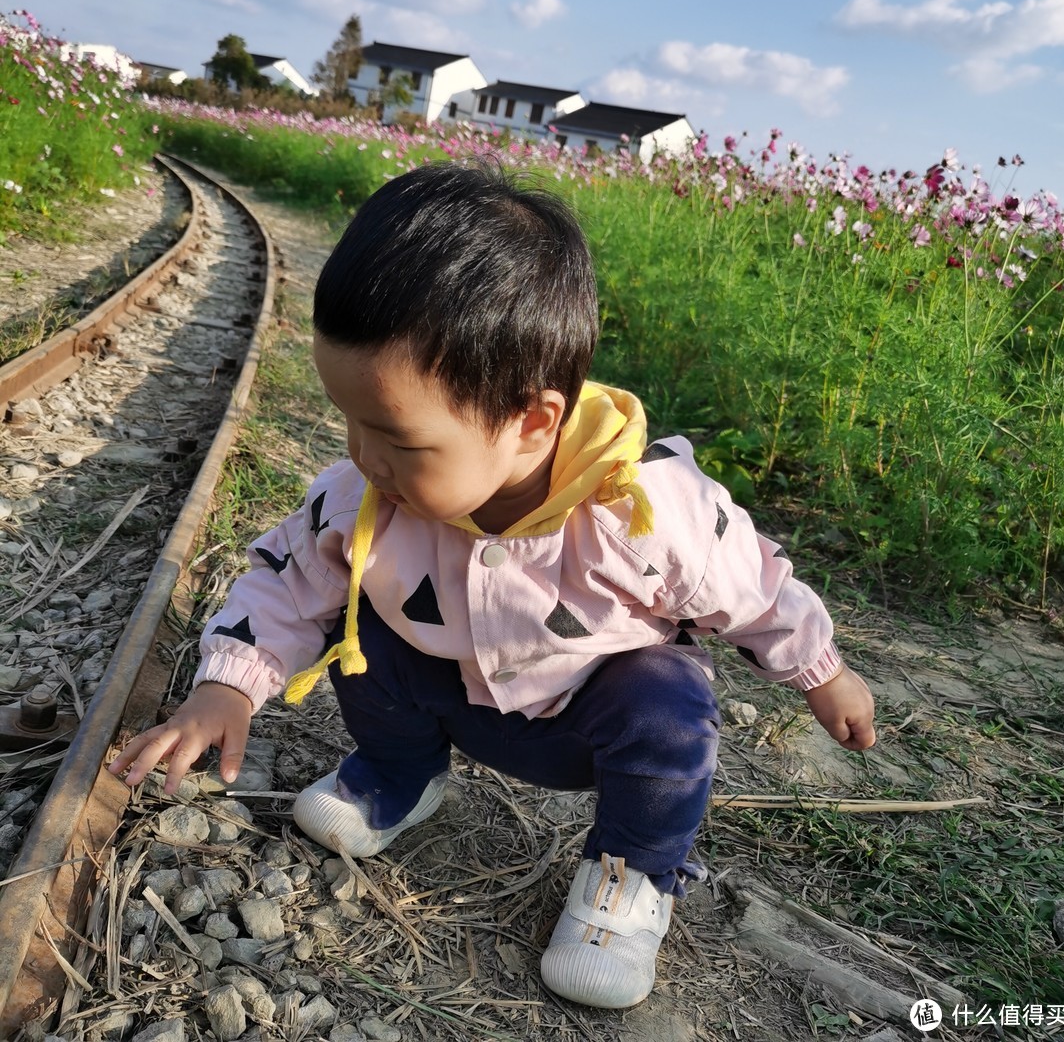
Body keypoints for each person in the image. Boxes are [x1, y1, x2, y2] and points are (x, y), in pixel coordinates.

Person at [109, 160, 876, 1010]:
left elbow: (756, 586)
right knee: (364, 621)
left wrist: (822, 672)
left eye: (397, 437)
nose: (365, 457)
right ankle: (397, 777)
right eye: (349, 421)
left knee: (670, 705)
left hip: (584, 725)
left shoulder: (647, 507)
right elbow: (288, 581)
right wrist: (227, 688)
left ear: (532, 420)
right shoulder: (366, 496)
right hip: (443, 695)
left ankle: (629, 878)